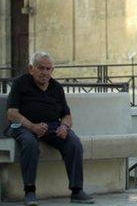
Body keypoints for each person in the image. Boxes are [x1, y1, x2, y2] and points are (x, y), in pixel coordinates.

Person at [6, 52, 94, 205]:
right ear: (31, 68)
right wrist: (32, 127)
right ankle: (30, 191)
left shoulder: (56, 87)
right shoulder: (20, 83)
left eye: (48, 69)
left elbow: (67, 116)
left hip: (52, 126)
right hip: (23, 125)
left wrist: (64, 127)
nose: (45, 73)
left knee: (73, 142)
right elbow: (12, 113)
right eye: (41, 68)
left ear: (52, 71)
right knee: (30, 143)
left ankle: (76, 190)